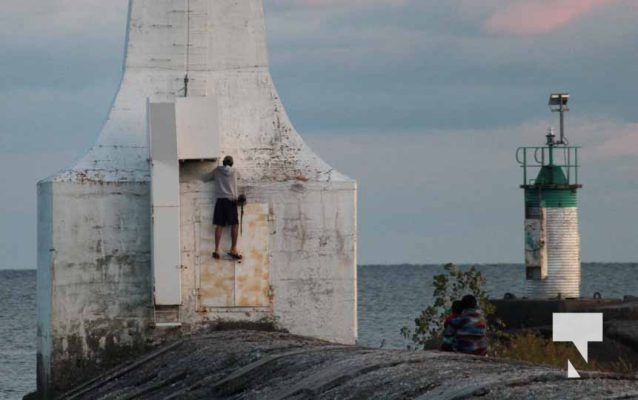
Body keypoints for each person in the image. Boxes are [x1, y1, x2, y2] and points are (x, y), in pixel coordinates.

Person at [204, 155, 243, 260]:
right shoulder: (234, 171)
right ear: (231, 163)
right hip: (231, 201)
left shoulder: (217, 170)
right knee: (235, 225)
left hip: (220, 201)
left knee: (219, 225)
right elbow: (240, 176)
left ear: (223, 162)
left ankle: (216, 249)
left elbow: (206, 178)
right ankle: (233, 249)